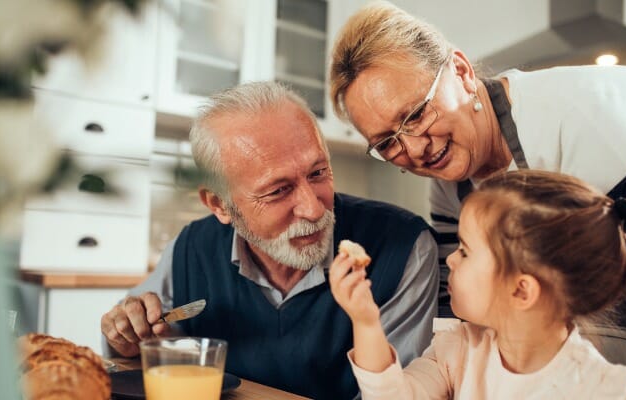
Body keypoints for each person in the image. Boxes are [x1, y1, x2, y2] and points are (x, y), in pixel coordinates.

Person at [329, 0, 626, 376]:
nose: (415, 149)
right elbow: (460, 302)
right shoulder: (452, 184)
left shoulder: (591, 128)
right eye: (388, 142)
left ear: (461, 71)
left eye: (417, 113)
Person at [100, 82, 439, 399]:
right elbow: (130, 350)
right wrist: (125, 335)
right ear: (220, 205)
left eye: (318, 172)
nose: (313, 208)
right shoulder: (191, 248)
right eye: (278, 190)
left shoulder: (403, 247)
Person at [331, 169, 626, 399]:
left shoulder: (609, 391)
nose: (451, 260)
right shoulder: (458, 349)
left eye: (464, 250)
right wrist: (365, 322)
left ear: (521, 290)